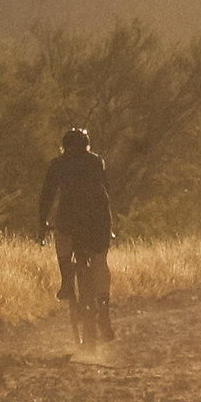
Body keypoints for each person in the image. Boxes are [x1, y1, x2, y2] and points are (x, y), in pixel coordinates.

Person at [38, 127, 115, 341]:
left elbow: (47, 195)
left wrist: (42, 223)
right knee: (100, 261)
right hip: (99, 218)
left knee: (61, 238)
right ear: (87, 145)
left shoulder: (58, 164)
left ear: (64, 147)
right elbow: (106, 191)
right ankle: (104, 308)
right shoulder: (97, 162)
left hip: (69, 218)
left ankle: (66, 280)